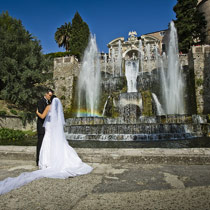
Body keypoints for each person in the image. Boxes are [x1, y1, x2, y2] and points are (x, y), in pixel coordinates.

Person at [0, 96, 93, 195]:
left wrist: (37, 112)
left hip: (49, 127)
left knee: (48, 143)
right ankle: (58, 160)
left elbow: (42, 116)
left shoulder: (49, 107)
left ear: (50, 100)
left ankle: (47, 162)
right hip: (56, 128)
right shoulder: (57, 108)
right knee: (58, 144)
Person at [36, 89, 53, 166]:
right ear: (45, 94)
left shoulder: (49, 103)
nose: (50, 97)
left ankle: (46, 159)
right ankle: (38, 160)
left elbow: (41, 113)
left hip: (48, 126)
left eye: (51, 95)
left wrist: (37, 113)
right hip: (41, 126)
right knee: (40, 143)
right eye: (49, 95)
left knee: (46, 144)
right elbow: (42, 115)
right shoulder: (40, 101)